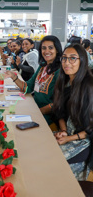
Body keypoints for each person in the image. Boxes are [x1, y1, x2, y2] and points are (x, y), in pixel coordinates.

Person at [53, 43, 93, 180]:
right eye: (64, 58)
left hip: (84, 142)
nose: (67, 62)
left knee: (51, 163)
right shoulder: (64, 82)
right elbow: (60, 113)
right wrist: (63, 131)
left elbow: (91, 128)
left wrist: (68, 138)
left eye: (72, 58)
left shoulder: (88, 86)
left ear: (82, 61)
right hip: (68, 135)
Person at [5, 35, 62, 130]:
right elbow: (28, 87)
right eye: (44, 48)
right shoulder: (42, 67)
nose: (46, 51)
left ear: (57, 50)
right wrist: (14, 77)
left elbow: (58, 103)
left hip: (48, 117)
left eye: (50, 48)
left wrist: (38, 112)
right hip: (34, 109)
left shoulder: (60, 71)